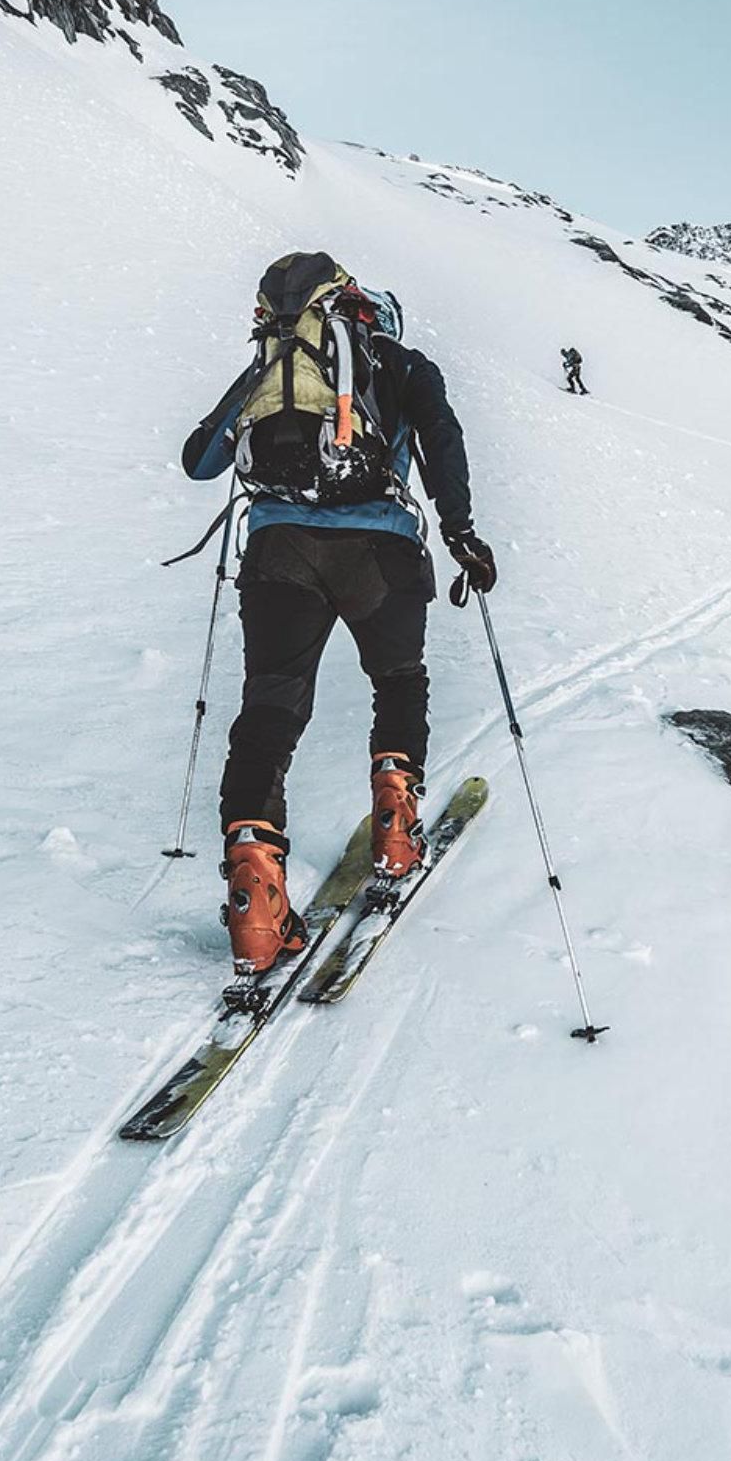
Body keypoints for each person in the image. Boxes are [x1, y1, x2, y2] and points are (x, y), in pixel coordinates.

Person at [182, 252, 497, 972]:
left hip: (278, 549)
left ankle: (256, 900)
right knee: (398, 678)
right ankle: (395, 821)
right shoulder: (404, 365)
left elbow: (200, 461)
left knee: (271, 705)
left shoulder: (275, 367)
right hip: (379, 549)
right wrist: (460, 533)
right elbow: (443, 443)